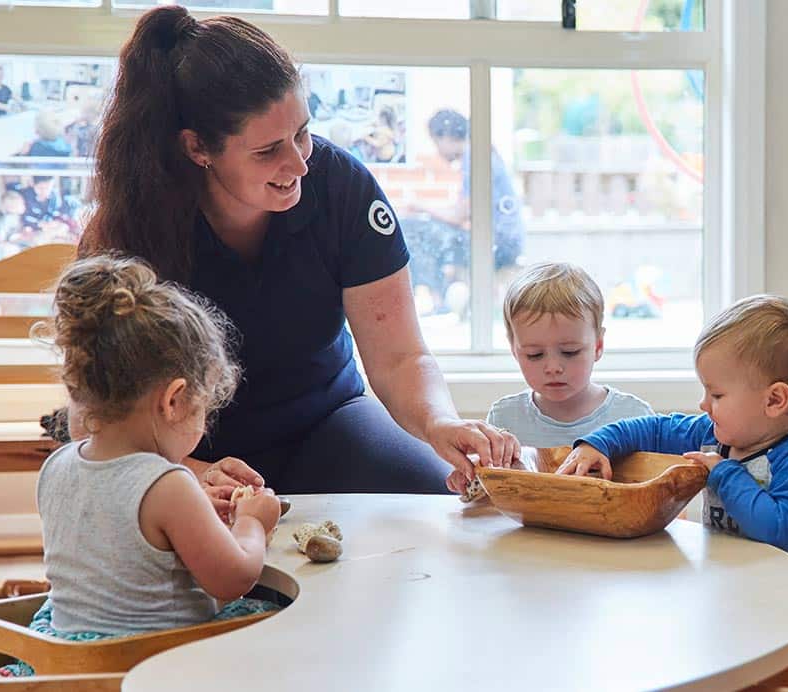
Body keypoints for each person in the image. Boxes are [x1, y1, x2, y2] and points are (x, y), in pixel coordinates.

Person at [77, 6, 518, 506]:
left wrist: (439, 422)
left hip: (326, 421)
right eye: (267, 151)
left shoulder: (342, 187)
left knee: (435, 499)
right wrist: (190, 471)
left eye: (302, 133)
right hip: (179, 448)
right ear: (197, 147)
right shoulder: (125, 230)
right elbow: (94, 415)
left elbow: (399, 358)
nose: (299, 163)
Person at [1, 255, 282, 677]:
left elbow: (118, 539)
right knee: (279, 615)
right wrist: (252, 523)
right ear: (173, 400)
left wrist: (197, 516)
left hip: (68, 660)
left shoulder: (58, 464)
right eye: (203, 408)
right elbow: (233, 578)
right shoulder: (168, 484)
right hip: (146, 661)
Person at [557, 295, 788, 576]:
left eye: (717, 394)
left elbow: (778, 531)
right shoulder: (715, 433)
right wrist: (598, 443)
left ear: (774, 400)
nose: (703, 404)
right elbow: (654, 429)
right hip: (743, 583)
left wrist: (724, 473)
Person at [447, 262, 653, 495]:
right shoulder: (505, 417)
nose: (553, 367)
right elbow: (495, 497)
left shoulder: (634, 415)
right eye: (534, 355)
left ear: (598, 345)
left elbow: (659, 496)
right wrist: (472, 480)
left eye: (570, 352)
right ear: (515, 350)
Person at [400, 109, 525, 316]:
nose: (438, 151)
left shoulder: (474, 159)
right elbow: (461, 213)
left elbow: (458, 216)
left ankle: (438, 302)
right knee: (429, 229)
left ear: (446, 137)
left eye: (435, 142)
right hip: (502, 241)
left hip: (499, 246)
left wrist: (420, 205)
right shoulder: (481, 155)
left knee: (412, 229)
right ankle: (439, 299)